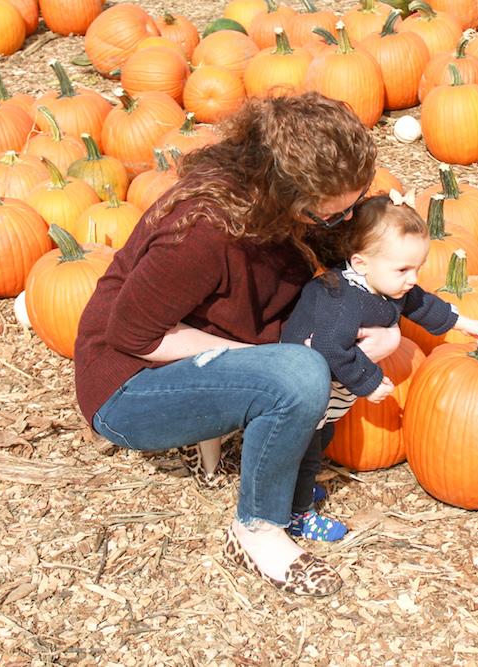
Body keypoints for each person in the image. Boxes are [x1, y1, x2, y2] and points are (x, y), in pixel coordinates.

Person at [73, 93, 388, 597]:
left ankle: (234, 424)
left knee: (305, 361)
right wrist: (262, 363)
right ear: (279, 193)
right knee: (300, 373)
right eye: (331, 216)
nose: (344, 223)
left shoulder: (281, 208)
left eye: (354, 204)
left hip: (196, 357)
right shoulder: (201, 230)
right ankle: (258, 528)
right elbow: (133, 336)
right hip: (130, 388)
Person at [280, 191, 478, 541]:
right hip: (304, 386)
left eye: (417, 268)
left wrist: (462, 322)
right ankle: (297, 514)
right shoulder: (342, 299)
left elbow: (421, 303)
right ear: (361, 263)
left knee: (323, 438)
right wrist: (369, 381)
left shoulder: (384, 283)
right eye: (404, 269)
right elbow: (328, 347)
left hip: (329, 387)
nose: (412, 278)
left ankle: (294, 493)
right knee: (306, 448)